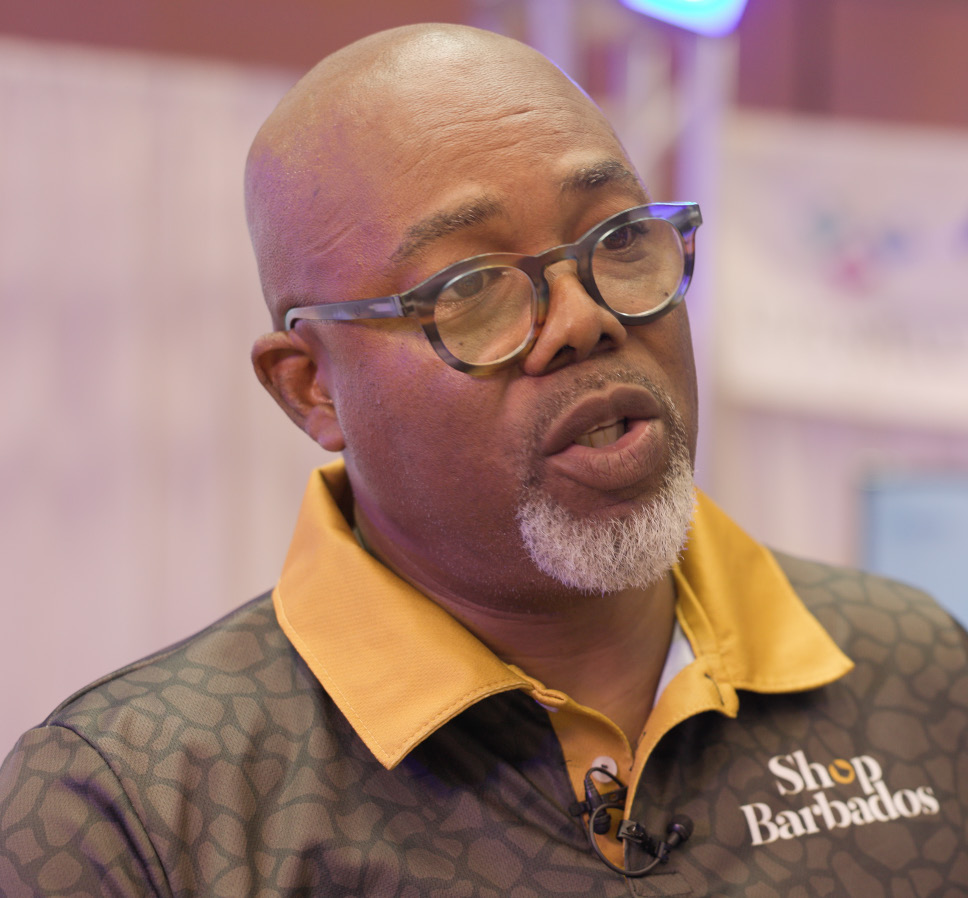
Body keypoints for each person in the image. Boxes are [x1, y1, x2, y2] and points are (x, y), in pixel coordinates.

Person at [2, 23, 967, 897]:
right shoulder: (135, 811)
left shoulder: (918, 671)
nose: (585, 319)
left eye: (620, 237)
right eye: (470, 288)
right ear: (312, 388)